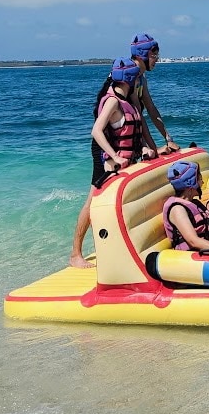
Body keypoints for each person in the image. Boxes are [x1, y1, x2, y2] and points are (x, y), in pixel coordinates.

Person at [69, 57, 144, 268]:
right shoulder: (113, 101)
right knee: (92, 202)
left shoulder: (128, 100)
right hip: (108, 161)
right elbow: (96, 130)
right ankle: (75, 254)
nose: (140, 82)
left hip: (124, 160)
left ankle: (108, 249)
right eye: (137, 79)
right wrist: (115, 156)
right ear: (129, 79)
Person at [130, 33, 181, 155]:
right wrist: (153, 148)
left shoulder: (141, 77)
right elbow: (137, 116)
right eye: (154, 55)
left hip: (129, 138)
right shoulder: (130, 77)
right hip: (112, 142)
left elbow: (151, 108)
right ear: (142, 55)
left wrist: (168, 139)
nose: (157, 58)